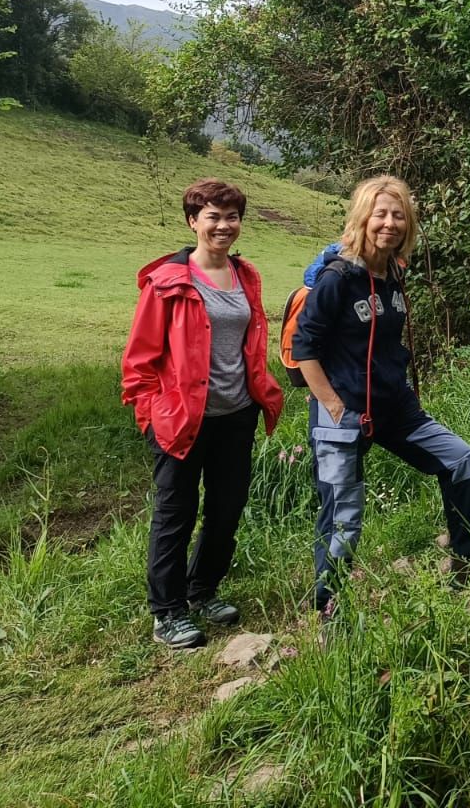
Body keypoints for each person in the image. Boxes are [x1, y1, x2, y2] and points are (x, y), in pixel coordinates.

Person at [291, 176, 470, 616]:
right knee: (343, 516)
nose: (390, 223)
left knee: (459, 459)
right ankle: (330, 612)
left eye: (398, 215)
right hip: (341, 413)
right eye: (380, 213)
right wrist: (335, 406)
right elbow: (304, 348)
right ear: (363, 217)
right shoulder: (337, 278)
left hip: (394, 406)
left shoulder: (394, 271)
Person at [121, 179, 285, 649]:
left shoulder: (246, 275)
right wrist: (151, 413)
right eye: (212, 216)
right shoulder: (168, 282)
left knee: (225, 511)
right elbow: (139, 360)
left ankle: (202, 591)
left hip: (236, 414)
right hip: (180, 419)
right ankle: (166, 612)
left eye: (231, 216)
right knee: (176, 512)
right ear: (193, 221)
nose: (223, 225)